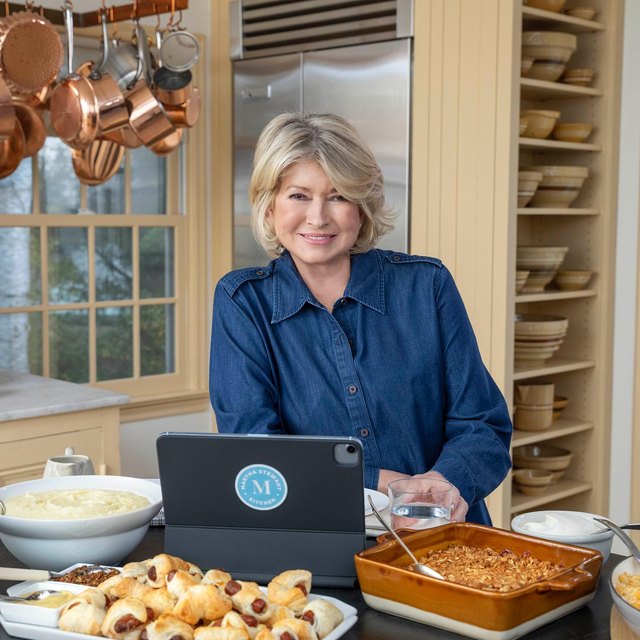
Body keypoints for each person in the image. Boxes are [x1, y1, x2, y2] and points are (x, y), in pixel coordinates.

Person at [209, 112, 512, 525]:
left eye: (338, 196)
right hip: (320, 541)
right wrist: (381, 484)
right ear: (269, 206)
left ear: (362, 207)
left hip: (443, 532)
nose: (318, 217)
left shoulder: (427, 285)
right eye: (298, 195)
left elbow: (483, 424)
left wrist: (445, 481)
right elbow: (257, 452)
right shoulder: (243, 301)